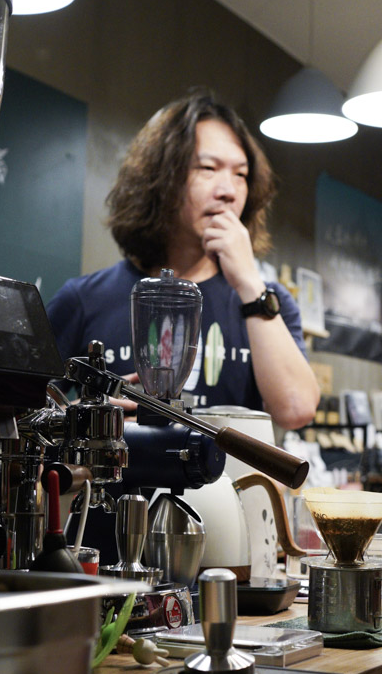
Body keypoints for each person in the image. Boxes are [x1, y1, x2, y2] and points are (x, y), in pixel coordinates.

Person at [46, 89, 319, 430]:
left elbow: (295, 411)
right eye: (208, 168)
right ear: (162, 179)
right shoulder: (85, 298)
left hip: (231, 483)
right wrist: (87, 415)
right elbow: (24, 414)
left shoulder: (266, 302)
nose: (228, 191)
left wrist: (250, 283)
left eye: (241, 174)